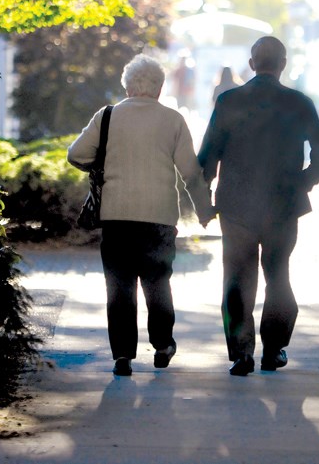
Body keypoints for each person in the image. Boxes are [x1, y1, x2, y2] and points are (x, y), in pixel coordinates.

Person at [67, 54, 215, 377]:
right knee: (158, 283)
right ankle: (162, 345)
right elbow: (191, 172)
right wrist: (205, 210)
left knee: (118, 287)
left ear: (127, 86)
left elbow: (76, 154)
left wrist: (101, 165)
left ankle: (122, 356)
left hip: (116, 217)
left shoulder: (107, 117)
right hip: (159, 219)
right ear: (160, 88)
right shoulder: (173, 120)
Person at [198, 36, 319, 376]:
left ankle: (241, 352)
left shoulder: (229, 100)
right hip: (282, 205)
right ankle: (273, 349)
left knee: (236, 279)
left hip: (235, 207)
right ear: (283, 64)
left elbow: (207, 156)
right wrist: (305, 181)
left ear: (252, 63)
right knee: (278, 275)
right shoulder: (298, 102)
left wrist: (204, 199)